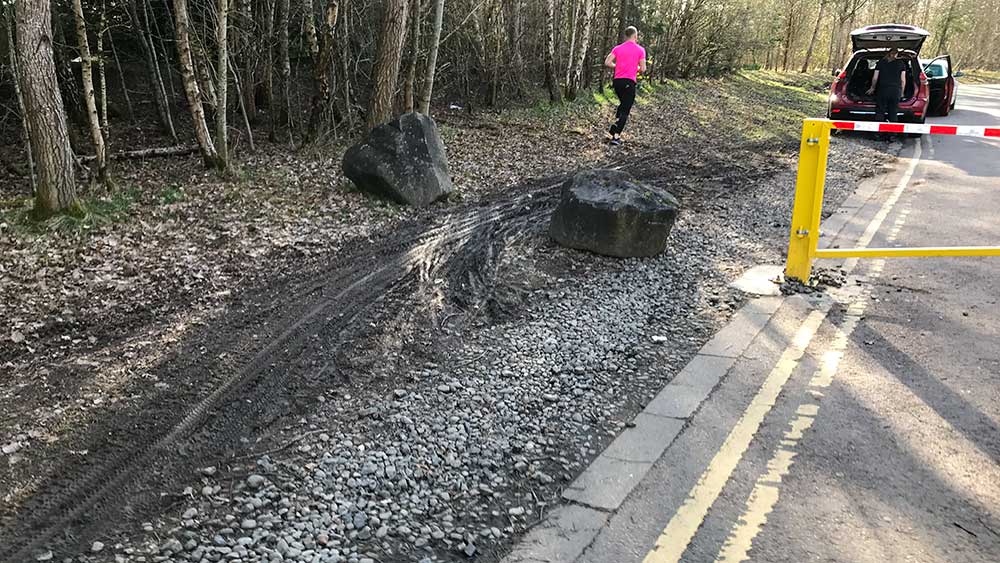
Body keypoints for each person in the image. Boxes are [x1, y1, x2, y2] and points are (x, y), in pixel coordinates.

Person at [604, 26, 647, 146]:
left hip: (617, 82)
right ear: (635, 36)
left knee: (623, 104)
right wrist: (635, 68)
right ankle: (616, 136)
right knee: (626, 109)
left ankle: (615, 125)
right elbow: (643, 69)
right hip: (629, 82)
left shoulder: (617, 48)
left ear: (625, 36)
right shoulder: (640, 50)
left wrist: (617, 66)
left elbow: (607, 62)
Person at [866, 48, 908, 126]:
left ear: (888, 54)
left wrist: (872, 88)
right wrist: (902, 93)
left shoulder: (881, 63)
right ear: (896, 54)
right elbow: (903, 80)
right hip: (896, 91)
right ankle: (892, 135)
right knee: (893, 112)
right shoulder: (901, 63)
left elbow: (875, 77)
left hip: (883, 90)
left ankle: (878, 134)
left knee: (880, 112)